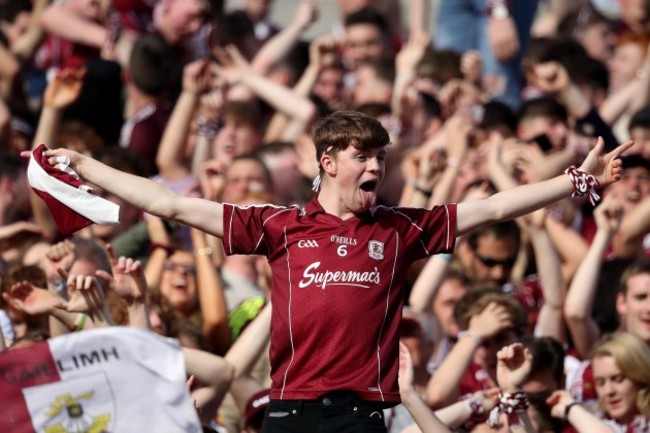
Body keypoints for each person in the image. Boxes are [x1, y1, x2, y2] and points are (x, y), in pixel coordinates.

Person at [25, 110, 630, 433]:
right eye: (363, 157)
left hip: (364, 415)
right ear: (328, 162)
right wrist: (87, 165)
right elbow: (172, 204)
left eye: (382, 158)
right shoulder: (281, 227)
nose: (376, 168)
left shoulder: (402, 229)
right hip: (287, 412)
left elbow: (496, 206)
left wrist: (577, 180)